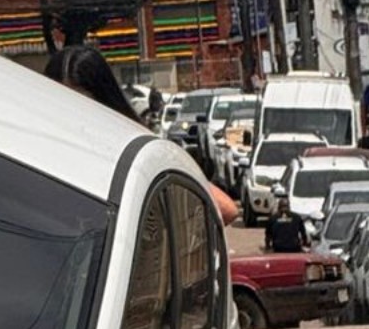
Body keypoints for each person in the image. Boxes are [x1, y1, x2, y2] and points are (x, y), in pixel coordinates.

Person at [44, 48, 240, 226]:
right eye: (60, 107)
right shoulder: (37, 160)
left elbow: (224, 209)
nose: (72, 120)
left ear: (105, 105)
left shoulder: (133, 155)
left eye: (82, 107)